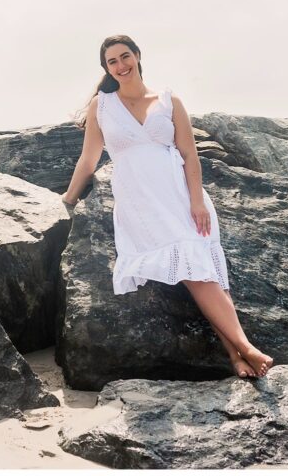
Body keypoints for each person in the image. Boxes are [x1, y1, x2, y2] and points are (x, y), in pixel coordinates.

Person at [62, 35, 273, 378]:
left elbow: (190, 155)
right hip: (141, 202)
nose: (120, 65)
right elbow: (89, 159)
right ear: (106, 68)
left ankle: (236, 356)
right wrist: (68, 199)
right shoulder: (102, 106)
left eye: (124, 56)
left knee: (208, 273)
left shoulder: (168, 100)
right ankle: (245, 347)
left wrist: (197, 202)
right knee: (195, 270)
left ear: (138, 56)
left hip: (179, 195)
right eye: (112, 61)